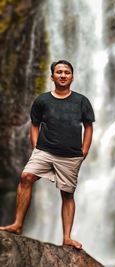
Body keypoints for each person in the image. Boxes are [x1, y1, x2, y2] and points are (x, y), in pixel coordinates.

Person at [0, 60, 95, 249]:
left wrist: (84, 151)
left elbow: (88, 126)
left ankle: (67, 237)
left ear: (72, 77)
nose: (62, 75)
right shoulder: (42, 100)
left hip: (70, 155)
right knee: (26, 177)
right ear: (52, 77)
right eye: (59, 72)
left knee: (67, 194)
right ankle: (18, 224)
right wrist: (36, 146)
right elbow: (34, 124)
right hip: (45, 151)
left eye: (66, 72)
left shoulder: (81, 101)